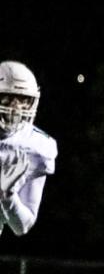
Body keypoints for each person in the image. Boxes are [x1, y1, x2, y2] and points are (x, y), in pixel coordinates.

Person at [0, 62, 56, 239]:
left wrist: (7, 196)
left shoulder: (36, 147)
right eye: (8, 97)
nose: (15, 108)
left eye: (23, 99)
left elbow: (22, 226)